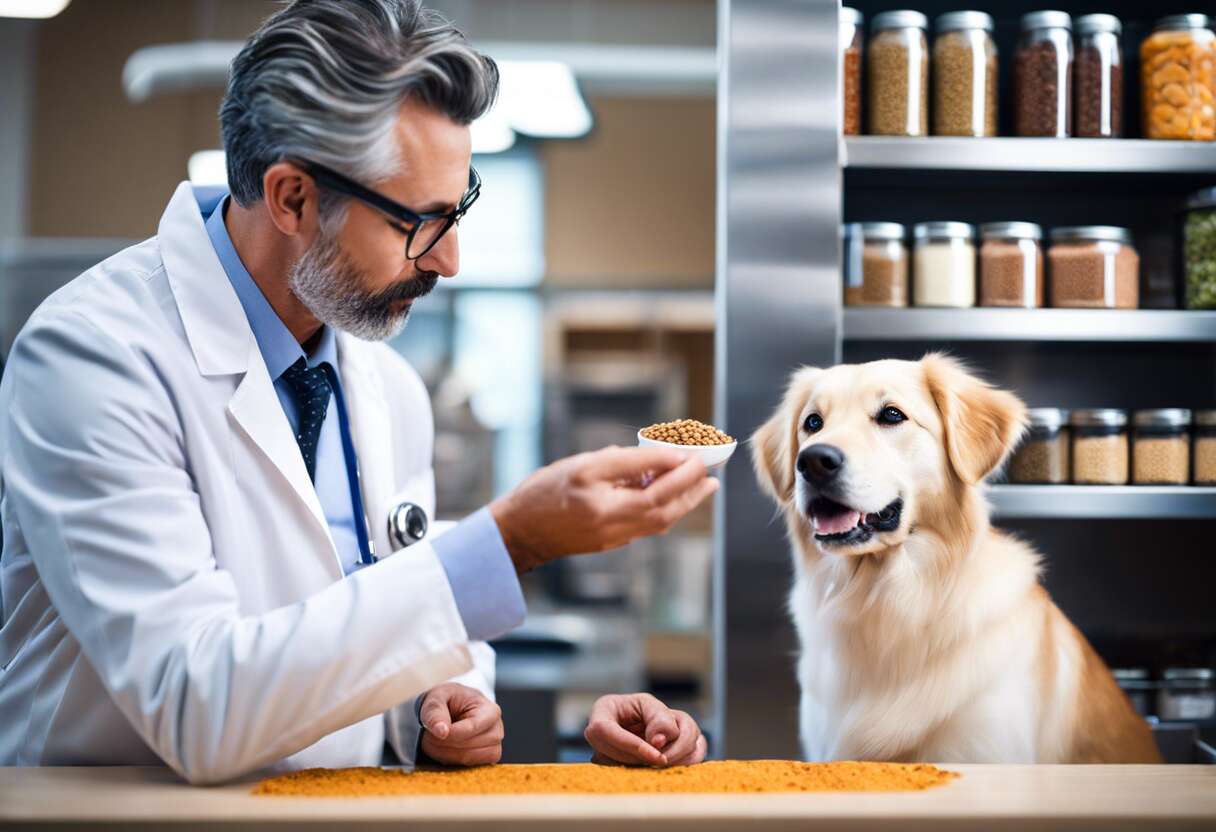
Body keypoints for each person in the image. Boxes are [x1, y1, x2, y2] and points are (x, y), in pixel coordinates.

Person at [0, 0, 716, 784]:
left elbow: (356, 628)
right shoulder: (95, 359)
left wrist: (435, 706)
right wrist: (512, 541)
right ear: (292, 198)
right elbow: (193, 703)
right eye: (421, 223)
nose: (449, 262)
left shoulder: (386, 386)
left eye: (460, 208)